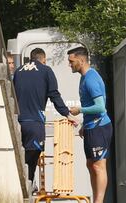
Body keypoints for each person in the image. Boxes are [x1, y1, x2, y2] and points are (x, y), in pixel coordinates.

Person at [13, 48, 78, 189]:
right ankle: (28, 185)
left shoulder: (17, 71)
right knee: (31, 160)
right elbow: (54, 95)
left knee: (18, 158)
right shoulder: (46, 70)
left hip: (17, 123)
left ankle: (25, 185)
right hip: (34, 123)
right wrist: (67, 114)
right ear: (43, 59)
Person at [67, 47, 112, 203]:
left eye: (71, 61)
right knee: (90, 164)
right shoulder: (83, 77)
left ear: (81, 60)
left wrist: (79, 110)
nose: (69, 64)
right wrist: (85, 125)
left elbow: (100, 107)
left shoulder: (91, 78)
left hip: (100, 127)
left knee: (99, 166)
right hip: (91, 126)